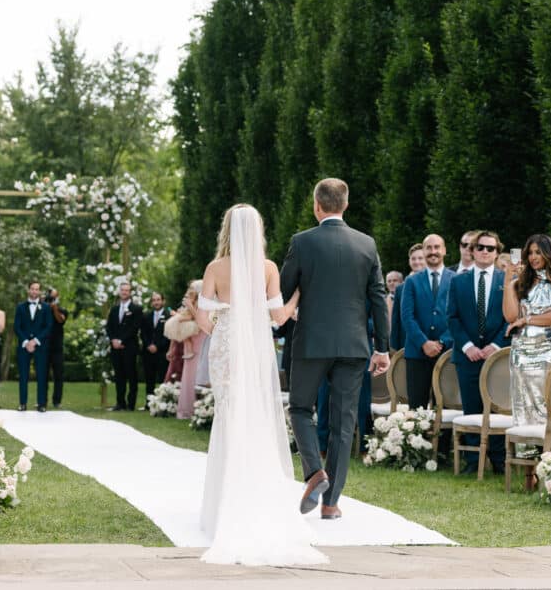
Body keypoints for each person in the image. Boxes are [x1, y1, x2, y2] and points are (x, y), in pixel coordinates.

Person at [195, 203, 327, 566]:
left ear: (227, 229)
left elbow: (203, 318)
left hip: (225, 346)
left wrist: (223, 322)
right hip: (255, 347)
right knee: (256, 419)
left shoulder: (214, 268)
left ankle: (222, 506)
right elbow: (279, 316)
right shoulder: (267, 268)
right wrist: (299, 294)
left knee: (229, 417)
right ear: (257, 230)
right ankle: (257, 498)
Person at [280, 178, 390, 521]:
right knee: (344, 423)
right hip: (355, 345)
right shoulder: (366, 244)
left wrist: (299, 302)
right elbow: (378, 298)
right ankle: (331, 504)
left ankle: (314, 472)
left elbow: (284, 292)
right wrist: (382, 348)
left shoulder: (302, 242)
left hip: (311, 342)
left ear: (317, 205)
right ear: (345, 205)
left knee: (300, 408)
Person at [446, 230, 510, 474]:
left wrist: (495, 346)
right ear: (472, 251)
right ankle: (474, 461)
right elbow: (452, 318)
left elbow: (511, 318)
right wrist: (467, 346)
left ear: (497, 252)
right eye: (481, 247)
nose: (485, 252)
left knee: (496, 407)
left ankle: (499, 459)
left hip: (496, 356)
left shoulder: (507, 281)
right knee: (472, 406)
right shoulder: (458, 281)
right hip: (468, 355)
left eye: (490, 248)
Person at [503, 234, 551, 448]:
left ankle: (549, 458)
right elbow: (510, 317)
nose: (534, 257)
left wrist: (529, 319)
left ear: (548, 253)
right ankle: (528, 467)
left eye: (538, 252)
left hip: (548, 352)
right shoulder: (519, 284)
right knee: (522, 406)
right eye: (530, 253)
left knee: (548, 403)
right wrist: (507, 282)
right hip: (521, 354)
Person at [400, 234, 454, 409]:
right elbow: (407, 317)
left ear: (444, 250)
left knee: (446, 406)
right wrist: (424, 343)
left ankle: (444, 438)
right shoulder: (411, 281)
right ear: (423, 251)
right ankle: (419, 438)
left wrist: (442, 342)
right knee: (417, 409)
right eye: (429, 248)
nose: (433, 252)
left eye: (437, 247)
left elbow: (458, 316)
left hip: (447, 352)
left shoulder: (457, 280)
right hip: (417, 352)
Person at [163, 282, 206, 419]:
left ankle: (199, 408)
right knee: (188, 375)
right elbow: (188, 317)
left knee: (198, 373)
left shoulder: (205, 304)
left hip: (201, 340)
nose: (190, 290)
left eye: (193, 289)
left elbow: (201, 320)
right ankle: (187, 409)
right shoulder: (192, 303)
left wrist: (189, 307)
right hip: (191, 342)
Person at [14, 281, 53, 412]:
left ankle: (41, 404)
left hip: (40, 346)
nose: (34, 291)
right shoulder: (20, 307)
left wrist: (35, 341)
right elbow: (17, 327)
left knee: (42, 375)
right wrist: (26, 342)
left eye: (37, 289)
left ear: (39, 291)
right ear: (28, 290)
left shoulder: (46, 308)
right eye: (32, 289)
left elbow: (48, 327)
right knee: (23, 376)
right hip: (24, 346)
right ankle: (22, 403)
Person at [105, 283, 143, 411]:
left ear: (130, 292)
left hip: (129, 347)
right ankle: (120, 403)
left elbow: (135, 328)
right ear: (119, 292)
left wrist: (121, 340)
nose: (124, 292)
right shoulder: (114, 309)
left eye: (127, 290)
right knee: (119, 376)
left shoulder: (136, 309)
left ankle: (131, 404)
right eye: (122, 290)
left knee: (131, 376)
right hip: (116, 348)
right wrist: (113, 340)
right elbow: (109, 327)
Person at [391, 243, 426, 351]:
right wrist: (394, 348)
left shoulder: (437, 284)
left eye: (420, 258)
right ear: (409, 261)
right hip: (406, 343)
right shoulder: (400, 288)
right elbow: (396, 320)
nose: (417, 262)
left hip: (430, 342)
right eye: (413, 258)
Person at [140, 292, 172, 407]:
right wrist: (148, 345)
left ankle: (163, 403)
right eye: (154, 300)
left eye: (158, 300)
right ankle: (149, 403)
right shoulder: (146, 316)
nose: (156, 302)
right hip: (148, 353)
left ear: (163, 301)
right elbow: (143, 333)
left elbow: (168, 335)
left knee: (163, 378)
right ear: (151, 302)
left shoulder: (169, 316)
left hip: (162, 352)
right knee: (149, 379)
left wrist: (157, 346)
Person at [45, 287, 68, 408]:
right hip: (44, 347)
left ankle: (57, 401)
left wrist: (54, 309)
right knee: (43, 375)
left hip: (57, 348)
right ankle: (42, 399)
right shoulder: (43, 309)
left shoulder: (62, 310)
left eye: (54, 297)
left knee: (58, 375)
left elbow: (60, 320)